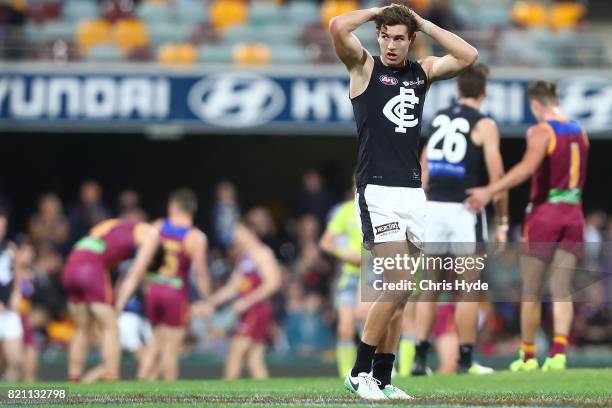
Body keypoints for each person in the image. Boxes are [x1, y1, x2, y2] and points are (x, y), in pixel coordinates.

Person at [329, 2, 477, 399]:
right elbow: (337, 26)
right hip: (376, 191)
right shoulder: (364, 67)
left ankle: (383, 377)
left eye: (399, 37)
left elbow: (469, 56)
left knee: (401, 296)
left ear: (411, 40)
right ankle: (359, 371)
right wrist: (377, 11)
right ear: (378, 37)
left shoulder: (421, 73)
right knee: (396, 281)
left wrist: (424, 22)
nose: (391, 45)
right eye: (385, 36)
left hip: (413, 193)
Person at [467, 80, 589, 372]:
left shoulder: (540, 131)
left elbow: (527, 167)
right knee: (562, 289)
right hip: (574, 212)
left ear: (535, 105)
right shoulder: (580, 132)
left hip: (545, 213)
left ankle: (528, 356)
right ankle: (558, 354)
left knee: (531, 291)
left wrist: (490, 189)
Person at [413, 64, 507, 375]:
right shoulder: (484, 124)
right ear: (485, 91)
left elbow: (424, 165)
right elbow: (497, 177)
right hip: (464, 210)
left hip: (434, 207)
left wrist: (421, 204)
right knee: (469, 289)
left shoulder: (440, 117)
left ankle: (418, 360)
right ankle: (466, 361)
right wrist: (503, 222)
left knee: (430, 287)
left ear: (457, 91)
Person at [115, 189, 211, 381]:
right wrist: (208, 300)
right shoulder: (196, 237)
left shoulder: (158, 226)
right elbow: (200, 273)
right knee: (171, 351)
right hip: (175, 291)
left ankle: (140, 389)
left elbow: (143, 258)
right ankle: (170, 398)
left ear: (172, 207)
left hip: (154, 289)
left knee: (155, 344)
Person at [62, 218, 159, 381]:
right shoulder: (151, 234)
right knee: (111, 328)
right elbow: (134, 274)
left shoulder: (115, 224)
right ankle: (111, 376)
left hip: (71, 265)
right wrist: (119, 304)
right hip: (91, 268)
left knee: (82, 328)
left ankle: (74, 378)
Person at [206, 223, 281, 380]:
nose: (235, 236)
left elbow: (273, 282)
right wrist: (209, 302)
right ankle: (270, 400)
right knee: (254, 360)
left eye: (238, 231)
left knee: (235, 353)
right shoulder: (245, 256)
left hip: (256, 309)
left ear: (250, 232)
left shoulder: (262, 253)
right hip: (248, 310)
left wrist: (247, 301)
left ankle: (226, 400)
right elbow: (233, 288)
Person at [319, 178, 367, 377]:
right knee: (345, 328)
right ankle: (346, 376)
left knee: (367, 321)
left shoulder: (380, 209)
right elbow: (325, 243)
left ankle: (376, 370)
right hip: (349, 275)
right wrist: (347, 254)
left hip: (374, 274)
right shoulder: (344, 210)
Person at [0, 209, 23, 382]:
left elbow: (17, 272)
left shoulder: (9, 248)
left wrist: (17, 293)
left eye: (3, 225)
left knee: (14, 360)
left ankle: (9, 399)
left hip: (9, 310)